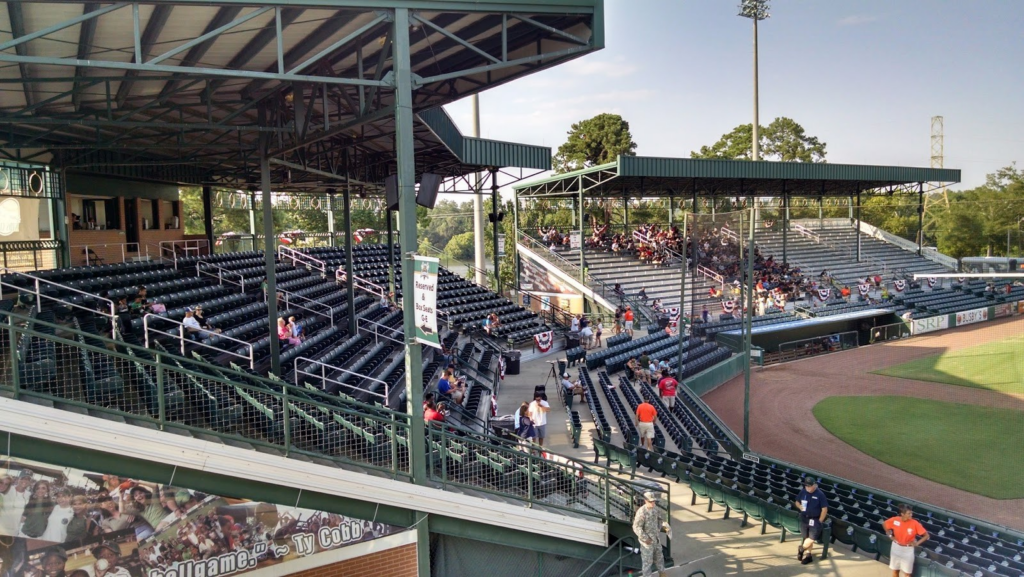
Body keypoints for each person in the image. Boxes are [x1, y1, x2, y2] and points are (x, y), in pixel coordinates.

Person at [882, 504, 929, 577]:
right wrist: (890, 535)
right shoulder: (895, 520)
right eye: (909, 513)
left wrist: (917, 543)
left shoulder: (915, 523)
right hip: (896, 547)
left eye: (911, 513)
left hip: (908, 550)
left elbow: (926, 535)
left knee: (907, 573)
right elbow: (884, 524)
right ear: (902, 514)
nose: (911, 515)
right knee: (895, 570)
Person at [632, 491, 668, 577]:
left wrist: (658, 529)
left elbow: (660, 519)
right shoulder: (641, 512)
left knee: (660, 558)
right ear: (645, 501)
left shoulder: (655, 509)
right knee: (647, 563)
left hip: (656, 539)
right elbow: (636, 527)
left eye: (653, 501)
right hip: (647, 542)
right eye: (650, 501)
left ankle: (662, 574)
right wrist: (645, 538)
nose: (652, 503)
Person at [794, 478, 829, 565]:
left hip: (815, 519)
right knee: (806, 537)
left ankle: (802, 548)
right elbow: (797, 502)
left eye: (809, 486)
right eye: (806, 486)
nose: (807, 487)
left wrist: (820, 521)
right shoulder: (803, 492)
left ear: (814, 485)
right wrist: (800, 507)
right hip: (804, 518)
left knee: (812, 538)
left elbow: (824, 509)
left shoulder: (820, 494)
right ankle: (808, 555)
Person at [0, 471, 33, 535]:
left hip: (14, 531)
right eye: (23, 478)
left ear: (30, 482)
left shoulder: (29, 495)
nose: (25, 481)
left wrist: (25, 516)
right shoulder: (7, 488)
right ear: (18, 479)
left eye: (28, 479)